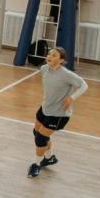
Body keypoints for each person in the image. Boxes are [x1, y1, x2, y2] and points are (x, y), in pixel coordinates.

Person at [28, 46, 88, 178]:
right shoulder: (44, 69)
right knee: (36, 132)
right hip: (45, 108)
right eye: (49, 54)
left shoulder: (66, 74)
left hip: (59, 113)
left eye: (54, 55)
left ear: (61, 60)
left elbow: (84, 85)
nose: (50, 56)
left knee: (41, 138)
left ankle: (36, 165)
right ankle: (49, 157)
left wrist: (71, 98)